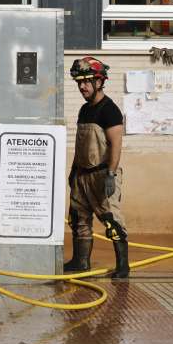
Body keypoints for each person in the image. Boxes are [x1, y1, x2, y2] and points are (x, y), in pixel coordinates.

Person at [65, 56, 130, 279]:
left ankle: (123, 266)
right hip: (82, 175)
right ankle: (80, 262)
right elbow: (81, 143)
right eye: (79, 82)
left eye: (86, 81)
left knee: (111, 219)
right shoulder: (84, 110)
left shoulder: (109, 110)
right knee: (78, 218)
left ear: (100, 82)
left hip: (102, 175)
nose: (82, 86)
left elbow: (116, 145)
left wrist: (111, 174)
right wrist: (73, 171)